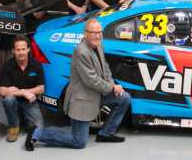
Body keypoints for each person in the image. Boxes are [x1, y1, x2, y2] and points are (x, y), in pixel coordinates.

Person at [25, 19, 130, 150]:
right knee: (79, 141)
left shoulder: (99, 45)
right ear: (85, 33)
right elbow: (91, 80)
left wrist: (111, 83)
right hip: (81, 100)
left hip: (96, 93)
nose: (97, 36)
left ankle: (106, 133)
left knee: (124, 98)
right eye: (93, 33)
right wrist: (112, 87)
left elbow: (105, 69)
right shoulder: (81, 52)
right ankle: (37, 133)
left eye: (99, 32)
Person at [0, 35, 45, 142]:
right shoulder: (7, 66)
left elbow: (41, 89)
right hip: (15, 99)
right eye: (18, 49)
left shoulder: (37, 65)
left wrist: (21, 91)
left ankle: (22, 117)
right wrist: (24, 92)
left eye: (23, 49)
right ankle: (14, 126)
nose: (21, 52)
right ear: (13, 51)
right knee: (8, 100)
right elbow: (2, 90)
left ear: (28, 49)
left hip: (30, 101)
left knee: (39, 129)